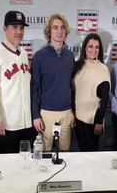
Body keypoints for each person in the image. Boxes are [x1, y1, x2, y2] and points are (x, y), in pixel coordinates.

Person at [0, 11, 34, 153]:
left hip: (25, 122)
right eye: (14, 27)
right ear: (5, 29)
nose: (19, 32)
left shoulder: (23, 53)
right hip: (6, 124)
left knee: (25, 164)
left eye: (22, 28)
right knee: (7, 167)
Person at [31, 13, 75, 152]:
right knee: (45, 153)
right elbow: (34, 88)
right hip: (47, 113)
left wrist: (72, 110)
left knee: (65, 152)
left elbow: (71, 86)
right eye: (55, 27)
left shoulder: (70, 56)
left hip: (67, 112)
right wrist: (36, 115)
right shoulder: (39, 56)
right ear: (49, 31)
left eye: (62, 28)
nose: (59, 31)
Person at [73, 33, 110, 151]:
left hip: (93, 119)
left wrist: (99, 122)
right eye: (90, 46)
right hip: (78, 118)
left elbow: (105, 99)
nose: (94, 50)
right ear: (84, 48)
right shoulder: (77, 66)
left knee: (91, 152)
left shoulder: (102, 69)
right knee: (81, 150)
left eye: (97, 47)